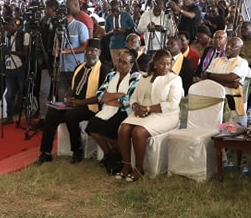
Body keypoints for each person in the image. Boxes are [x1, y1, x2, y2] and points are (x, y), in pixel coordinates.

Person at [117, 50, 184, 182]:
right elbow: (134, 97)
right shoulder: (145, 78)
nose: (166, 67)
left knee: (138, 132)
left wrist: (147, 108)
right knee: (123, 128)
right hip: (143, 111)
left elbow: (172, 104)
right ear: (154, 64)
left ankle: (139, 169)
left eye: (168, 64)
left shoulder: (174, 79)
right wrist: (136, 107)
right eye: (162, 64)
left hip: (166, 115)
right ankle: (126, 166)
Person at [35, 43, 107, 164]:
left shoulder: (104, 70)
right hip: (74, 103)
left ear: (99, 52)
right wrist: (67, 97)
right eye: (87, 51)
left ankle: (77, 150)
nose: (89, 53)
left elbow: (102, 96)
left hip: (90, 106)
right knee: (52, 112)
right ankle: (45, 152)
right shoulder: (79, 67)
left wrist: (80, 102)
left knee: (71, 115)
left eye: (93, 51)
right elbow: (72, 87)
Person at [86, 50, 141, 175]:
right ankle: (109, 154)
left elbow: (128, 99)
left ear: (131, 65)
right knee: (92, 126)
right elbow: (100, 95)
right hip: (108, 109)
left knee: (110, 127)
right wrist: (116, 97)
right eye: (119, 61)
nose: (120, 65)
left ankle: (120, 155)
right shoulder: (111, 75)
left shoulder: (136, 77)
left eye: (124, 63)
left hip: (125, 111)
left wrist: (109, 98)